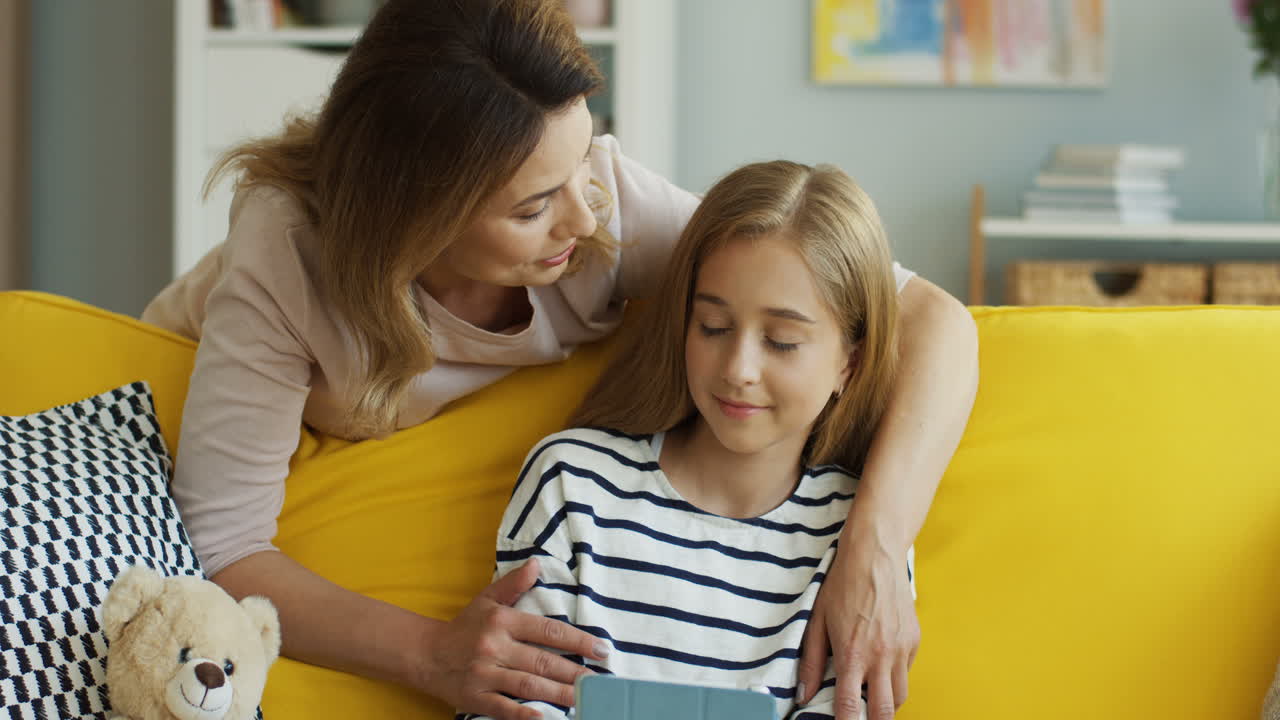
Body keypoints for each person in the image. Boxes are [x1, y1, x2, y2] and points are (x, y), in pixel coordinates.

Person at [141, 1, 978, 718]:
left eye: (583, 158)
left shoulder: (600, 209)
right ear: (418, 214)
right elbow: (223, 539)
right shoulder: (287, 256)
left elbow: (933, 319)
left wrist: (873, 543)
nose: (585, 218)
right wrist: (433, 654)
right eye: (536, 204)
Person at [463, 159, 911, 720]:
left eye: (783, 341)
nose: (739, 369)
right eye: (714, 328)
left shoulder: (861, 544)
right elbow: (512, 700)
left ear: (851, 362)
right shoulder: (572, 482)